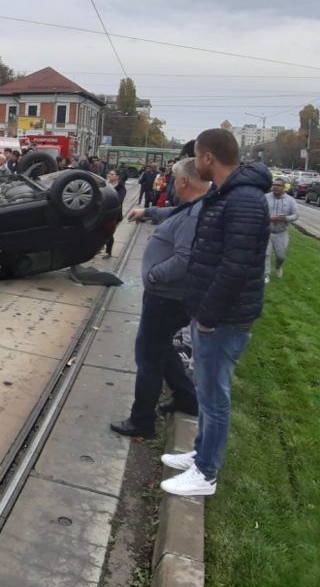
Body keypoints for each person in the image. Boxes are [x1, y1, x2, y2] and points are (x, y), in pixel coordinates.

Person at [160, 129, 270, 497]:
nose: (196, 164)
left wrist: (207, 315)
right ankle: (201, 454)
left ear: (208, 158)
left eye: (198, 157)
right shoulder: (231, 196)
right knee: (207, 393)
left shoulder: (242, 200)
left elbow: (235, 268)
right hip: (216, 314)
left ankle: (206, 474)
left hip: (223, 319)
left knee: (214, 396)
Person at [110, 158, 206, 438]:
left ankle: (141, 420)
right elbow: (175, 213)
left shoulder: (194, 215)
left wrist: (155, 275)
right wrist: (148, 211)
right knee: (162, 348)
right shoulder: (194, 207)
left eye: (175, 178)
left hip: (166, 297)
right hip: (170, 297)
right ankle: (188, 399)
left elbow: (184, 259)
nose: (172, 183)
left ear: (185, 182)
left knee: (148, 356)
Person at [264, 176, 298, 282]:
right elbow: (260, 212)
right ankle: (266, 275)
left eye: (278, 185)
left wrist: (286, 218)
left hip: (281, 232)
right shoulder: (265, 197)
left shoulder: (290, 200)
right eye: (274, 185)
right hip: (267, 231)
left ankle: (279, 267)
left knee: (281, 256)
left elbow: (296, 215)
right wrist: (270, 218)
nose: (275, 187)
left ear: (283, 187)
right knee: (266, 254)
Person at [101, 169, 127, 257]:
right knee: (99, 232)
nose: (109, 175)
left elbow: (118, 200)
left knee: (109, 233)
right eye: (108, 173)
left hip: (114, 214)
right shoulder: (104, 185)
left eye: (111, 174)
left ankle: (108, 252)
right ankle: (99, 247)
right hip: (103, 213)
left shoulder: (121, 188)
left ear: (117, 177)